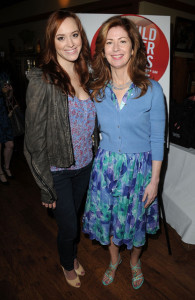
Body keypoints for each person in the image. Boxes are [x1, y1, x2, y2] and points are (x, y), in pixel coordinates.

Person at [83, 16, 166, 290]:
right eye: (109, 42)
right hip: (105, 169)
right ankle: (114, 259)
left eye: (122, 41)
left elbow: (157, 139)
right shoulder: (96, 90)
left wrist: (154, 181)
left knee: (136, 223)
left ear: (133, 48)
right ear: (103, 50)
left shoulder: (152, 90)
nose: (116, 48)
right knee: (107, 221)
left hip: (139, 171)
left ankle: (134, 262)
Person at [24, 10, 98, 288]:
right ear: (51, 42)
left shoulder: (85, 72)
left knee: (74, 220)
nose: (70, 43)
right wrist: (45, 186)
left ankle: (71, 253)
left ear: (81, 35)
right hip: (59, 171)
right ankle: (67, 261)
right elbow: (33, 142)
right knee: (69, 227)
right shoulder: (43, 81)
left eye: (75, 35)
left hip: (85, 167)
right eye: (61, 37)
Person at [0, 69, 14, 185]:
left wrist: (9, 92)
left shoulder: (3, 74)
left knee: (10, 144)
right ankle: (0, 172)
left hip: (4, 114)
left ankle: (6, 167)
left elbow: (9, 98)